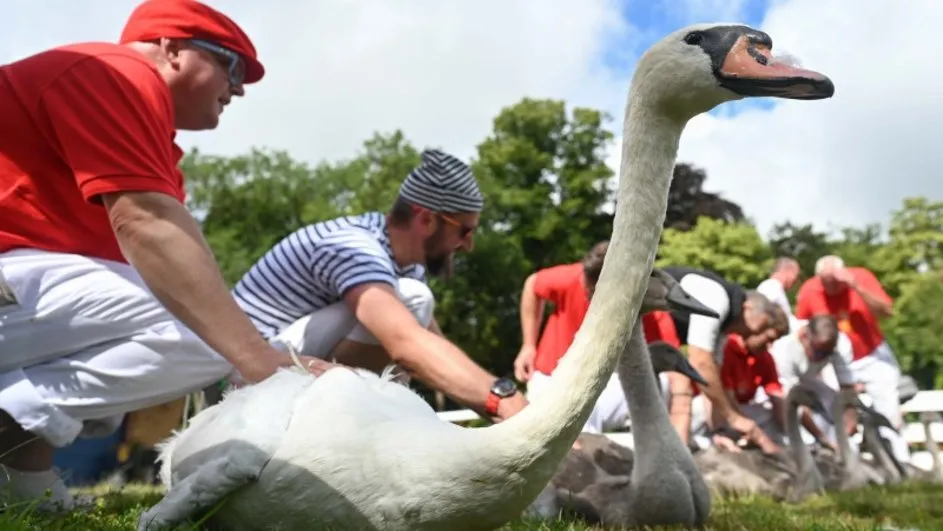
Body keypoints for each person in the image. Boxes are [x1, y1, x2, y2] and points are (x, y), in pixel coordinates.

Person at [0, 0, 332, 510]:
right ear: (172, 48)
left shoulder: (146, 134)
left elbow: (158, 254)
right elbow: (145, 224)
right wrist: (260, 359)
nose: (240, 89)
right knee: (205, 334)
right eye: (233, 66)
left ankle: (24, 482)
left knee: (187, 321)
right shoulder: (112, 71)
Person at [231, 148, 528, 423]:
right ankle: (353, 422)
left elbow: (433, 348)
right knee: (414, 300)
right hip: (241, 374)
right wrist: (505, 403)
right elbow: (406, 344)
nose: (468, 245)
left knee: (413, 312)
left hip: (284, 365)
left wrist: (500, 407)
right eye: (465, 231)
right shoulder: (354, 247)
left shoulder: (405, 266)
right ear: (426, 219)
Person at [647, 267, 782, 454]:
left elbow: (710, 380)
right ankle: (674, 458)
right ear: (749, 308)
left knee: (682, 384)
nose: (756, 334)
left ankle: (676, 455)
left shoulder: (724, 328)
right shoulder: (716, 299)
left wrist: (719, 430)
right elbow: (700, 363)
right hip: (647, 314)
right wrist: (734, 418)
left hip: (658, 325)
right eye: (762, 325)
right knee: (681, 386)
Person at [795, 255, 908, 462]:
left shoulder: (861, 277)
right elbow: (800, 329)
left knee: (888, 405)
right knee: (833, 408)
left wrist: (856, 287)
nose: (831, 288)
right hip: (832, 359)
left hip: (870, 354)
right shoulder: (809, 290)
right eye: (826, 283)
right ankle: (845, 460)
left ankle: (899, 459)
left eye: (835, 282)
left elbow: (887, 311)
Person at [769, 314, 856, 445]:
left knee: (834, 401)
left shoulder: (840, 344)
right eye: (819, 352)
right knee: (798, 426)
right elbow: (794, 399)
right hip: (781, 390)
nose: (822, 358)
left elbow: (847, 386)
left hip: (809, 380)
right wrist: (821, 438)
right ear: (804, 337)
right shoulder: (784, 350)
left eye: (828, 354)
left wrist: (850, 418)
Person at [756, 257, 801, 325]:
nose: (796, 279)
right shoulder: (771, 287)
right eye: (796, 275)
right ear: (787, 270)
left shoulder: (774, 287)